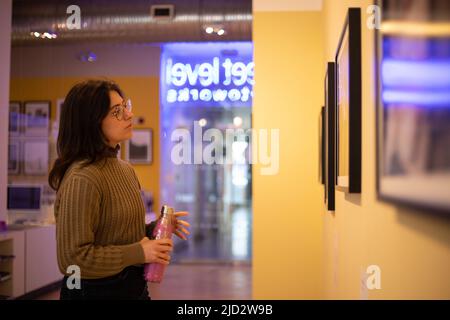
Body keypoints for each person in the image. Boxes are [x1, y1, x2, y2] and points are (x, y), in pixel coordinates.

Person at [49, 79, 190, 300]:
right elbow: (73, 259)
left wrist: (155, 228)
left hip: (133, 288)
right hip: (93, 292)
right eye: (117, 111)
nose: (128, 115)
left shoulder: (125, 169)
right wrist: (140, 252)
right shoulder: (82, 177)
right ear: (91, 122)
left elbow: (117, 234)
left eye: (126, 106)